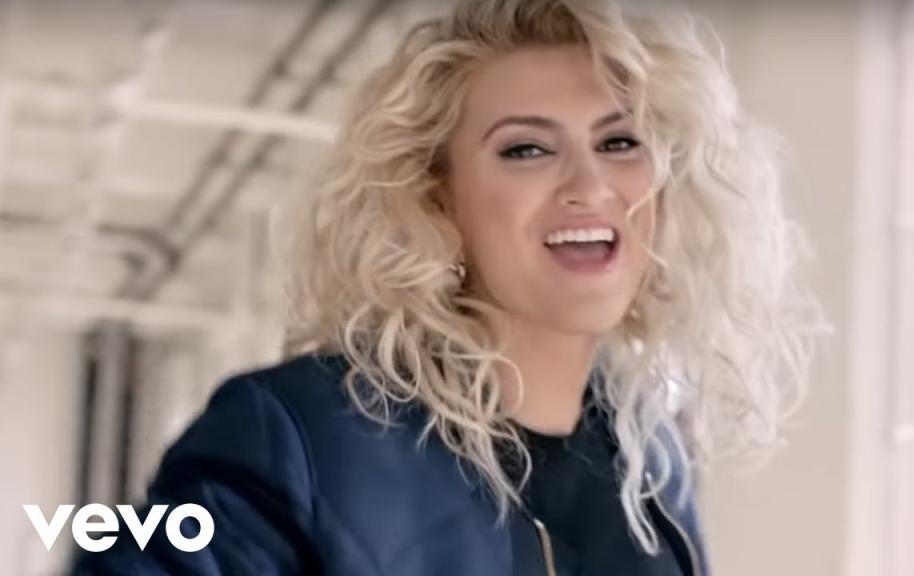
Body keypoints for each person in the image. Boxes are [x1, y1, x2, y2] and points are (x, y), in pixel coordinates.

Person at [72, 0, 817, 574]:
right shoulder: (302, 436)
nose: (590, 185)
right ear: (437, 199)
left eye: (620, 142)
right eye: (526, 149)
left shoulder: (654, 470)